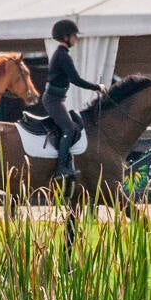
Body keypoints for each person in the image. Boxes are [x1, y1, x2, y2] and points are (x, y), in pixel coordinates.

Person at [39, 18, 103, 180]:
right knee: (69, 128)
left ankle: (67, 162)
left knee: (73, 125)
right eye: (74, 35)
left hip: (57, 99)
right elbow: (76, 80)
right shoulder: (63, 56)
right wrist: (97, 87)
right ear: (66, 37)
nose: (76, 38)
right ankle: (61, 169)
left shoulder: (62, 54)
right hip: (53, 100)